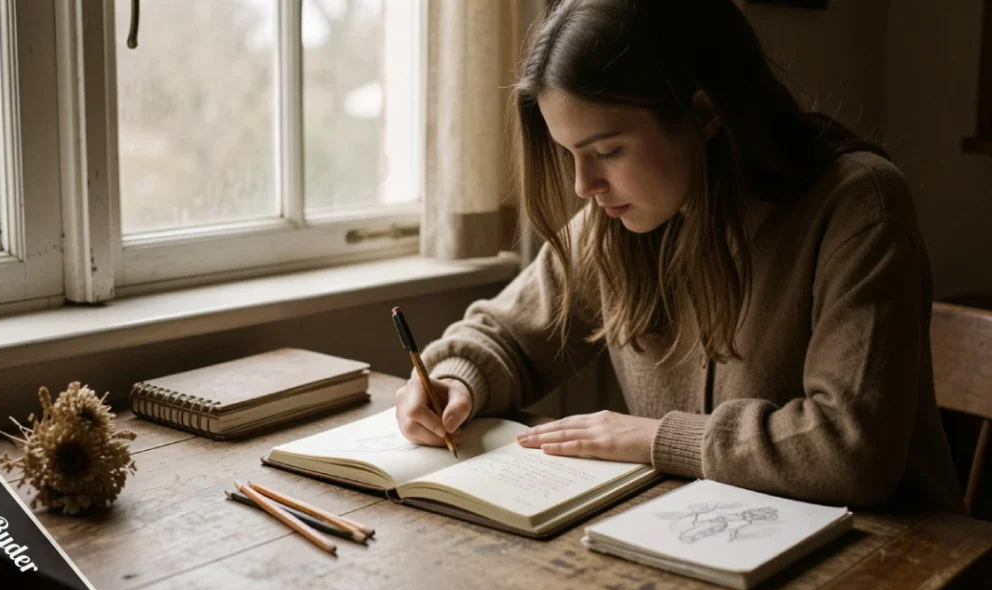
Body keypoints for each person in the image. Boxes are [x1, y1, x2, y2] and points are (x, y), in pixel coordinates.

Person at [394, 0, 966, 512]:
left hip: (895, 559)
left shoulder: (858, 205)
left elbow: (849, 448)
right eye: (570, 153)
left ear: (706, 113)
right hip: (703, 535)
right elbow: (510, 337)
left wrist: (652, 439)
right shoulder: (622, 218)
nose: (582, 185)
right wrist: (455, 380)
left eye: (608, 150)